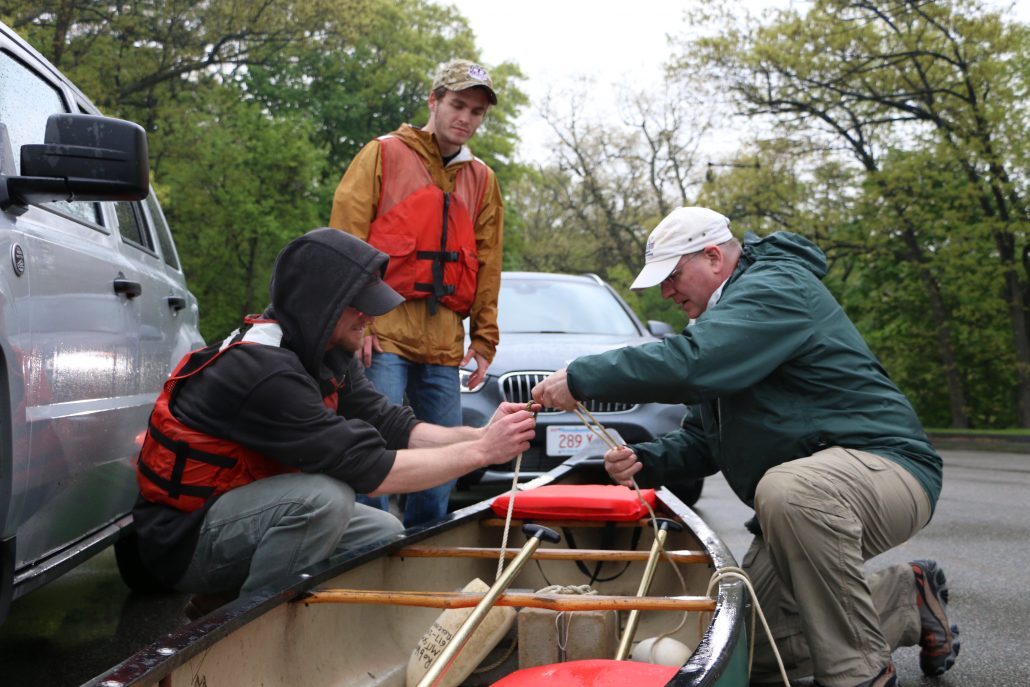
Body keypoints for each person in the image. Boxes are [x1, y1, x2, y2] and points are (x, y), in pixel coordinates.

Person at [531, 207, 958, 687]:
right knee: (749, 651)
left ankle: (858, 674)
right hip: (806, 498)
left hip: (885, 469)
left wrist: (583, 377)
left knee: (788, 490)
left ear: (713, 257)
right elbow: (701, 439)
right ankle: (905, 597)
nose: (667, 293)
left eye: (671, 277)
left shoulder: (775, 290)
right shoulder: (723, 321)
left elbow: (693, 365)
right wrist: (648, 461)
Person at [132, 228, 536, 619]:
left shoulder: (323, 350)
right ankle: (249, 629)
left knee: (382, 531)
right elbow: (373, 472)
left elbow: (395, 426)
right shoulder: (265, 372)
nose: (369, 317)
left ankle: (222, 604)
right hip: (182, 542)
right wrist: (483, 452)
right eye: (358, 305)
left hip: (233, 518)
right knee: (324, 499)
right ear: (319, 304)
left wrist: (482, 434)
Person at [328, 58, 504, 527]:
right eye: (458, 105)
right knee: (375, 451)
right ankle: (367, 547)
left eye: (477, 112)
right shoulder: (383, 154)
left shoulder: (483, 180)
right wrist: (351, 322)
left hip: (443, 342)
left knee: (447, 460)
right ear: (434, 101)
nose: (466, 118)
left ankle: (425, 546)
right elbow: (344, 240)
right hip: (381, 333)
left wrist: (484, 339)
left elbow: (488, 264)